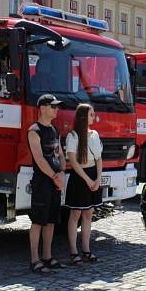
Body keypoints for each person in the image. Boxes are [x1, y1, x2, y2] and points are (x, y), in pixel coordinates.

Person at [27, 94, 67, 274]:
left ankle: (47, 257)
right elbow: (39, 159)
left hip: (54, 180)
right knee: (38, 221)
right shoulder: (34, 131)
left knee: (51, 221)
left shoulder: (54, 130)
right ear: (42, 108)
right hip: (42, 181)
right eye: (53, 106)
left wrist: (62, 173)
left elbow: (60, 154)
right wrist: (54, 176)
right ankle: (34, 260)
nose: (56, 109)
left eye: (57, 107)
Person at [64, 104, 103, 264]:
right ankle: (73, 251)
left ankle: (86, 249)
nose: (94, 117)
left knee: (88, 214)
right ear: (82, 117)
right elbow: (72, 161)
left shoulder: (95, 134)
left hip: (93, 174)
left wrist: (98, 178)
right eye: (91, 115)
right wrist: (87, 180)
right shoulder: (73, 136)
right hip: (80, 177)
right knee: (76, 214)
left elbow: (99, 158)